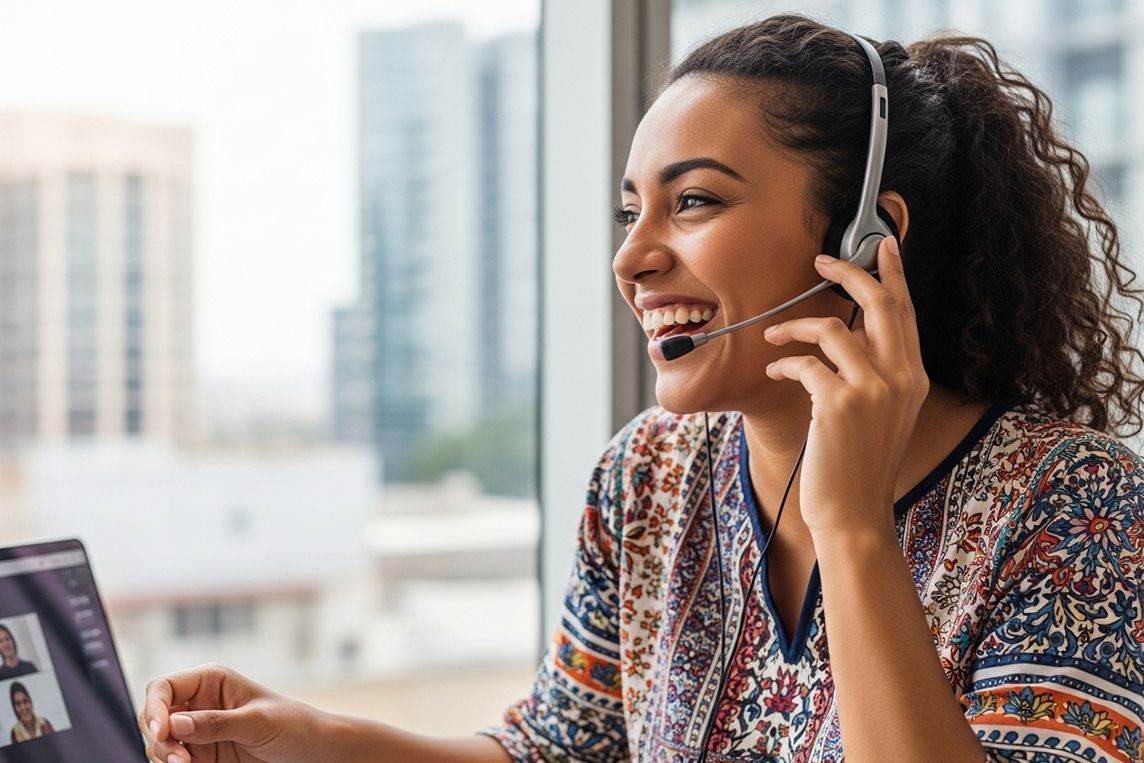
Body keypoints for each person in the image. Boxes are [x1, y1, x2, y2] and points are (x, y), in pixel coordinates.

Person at [140, 14, 1144, 763]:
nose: (632, 260)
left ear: (867, 237)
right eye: (631, 213)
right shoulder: (648, 474)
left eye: (693, 201)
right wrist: (309, 739)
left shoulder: (1076, 504)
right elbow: (559, 751)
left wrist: (850, 528)